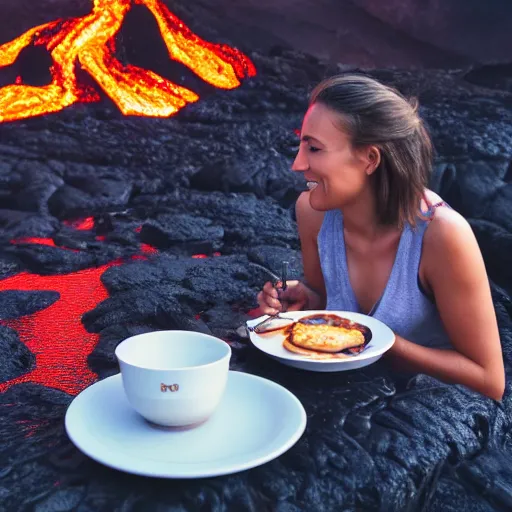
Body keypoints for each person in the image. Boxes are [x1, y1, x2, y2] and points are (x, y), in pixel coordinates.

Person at [257, 74, 505, 400]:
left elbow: (490, 381)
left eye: (314, 148)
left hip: (428, 416)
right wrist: (304, 302)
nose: (297, 164)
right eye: (300, 145)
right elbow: (326, 302)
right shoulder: (313, 212)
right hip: (348, 395)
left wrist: (377, 341)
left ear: (371, 159)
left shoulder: (441, 235)